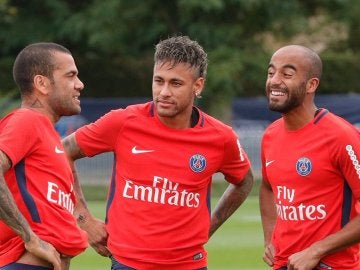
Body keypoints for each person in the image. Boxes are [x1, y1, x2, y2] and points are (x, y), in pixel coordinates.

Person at [62, 35, 254, 269]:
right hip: (128, 263)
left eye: (175, 83)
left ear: (198, 85)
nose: (164, 91)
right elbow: (62, 151)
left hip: (189, 265)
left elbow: (244, 180)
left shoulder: (221, 137)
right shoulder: (123, 122)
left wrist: (209, 227)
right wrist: (83, 219)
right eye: (158, 81)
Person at [259, 45, 360, 270]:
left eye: (287, 74)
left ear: (311, 85)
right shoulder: (270, 135)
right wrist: (270, 237)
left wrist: (316, 250)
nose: (274, 80)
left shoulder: (341, 136)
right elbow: (267, 187)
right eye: (271, 72)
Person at [0, 43, 88, 270]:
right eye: (71, 76)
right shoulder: (28, 120)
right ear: (42, 83)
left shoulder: (47, 135)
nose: (80, 84)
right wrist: (29, 237)